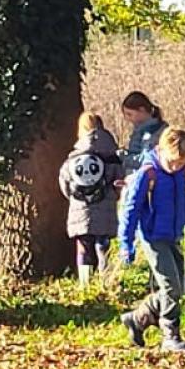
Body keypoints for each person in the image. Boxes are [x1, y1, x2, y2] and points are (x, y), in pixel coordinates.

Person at [118, 128, 185, 353]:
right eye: (172, 162)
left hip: (174, 235)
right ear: (162, 151)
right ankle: (170, 335)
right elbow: (131, 210)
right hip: (153, 237)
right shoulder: (148, 174)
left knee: (179, 288)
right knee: (170, 286)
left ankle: (138, 318)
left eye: (181, 163)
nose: (176, 167)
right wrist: (126, 244)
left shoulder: (184, 173)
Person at [58, 110, 125, 287]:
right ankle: (106, 281)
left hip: (80, 208)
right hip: (105, 206)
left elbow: (64, 181)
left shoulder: (74, 155)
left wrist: (75, 197)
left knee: (84, 246)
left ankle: (85, 284)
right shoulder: (111, 155)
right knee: (103, 245)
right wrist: (112, 195)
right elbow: (120, 179)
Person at [119, 92, 167, 167]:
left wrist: (124, 159)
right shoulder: (139, 130)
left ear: (142, 110)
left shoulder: (155, 131)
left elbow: (146, 158)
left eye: (129, 114)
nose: (127, 118)